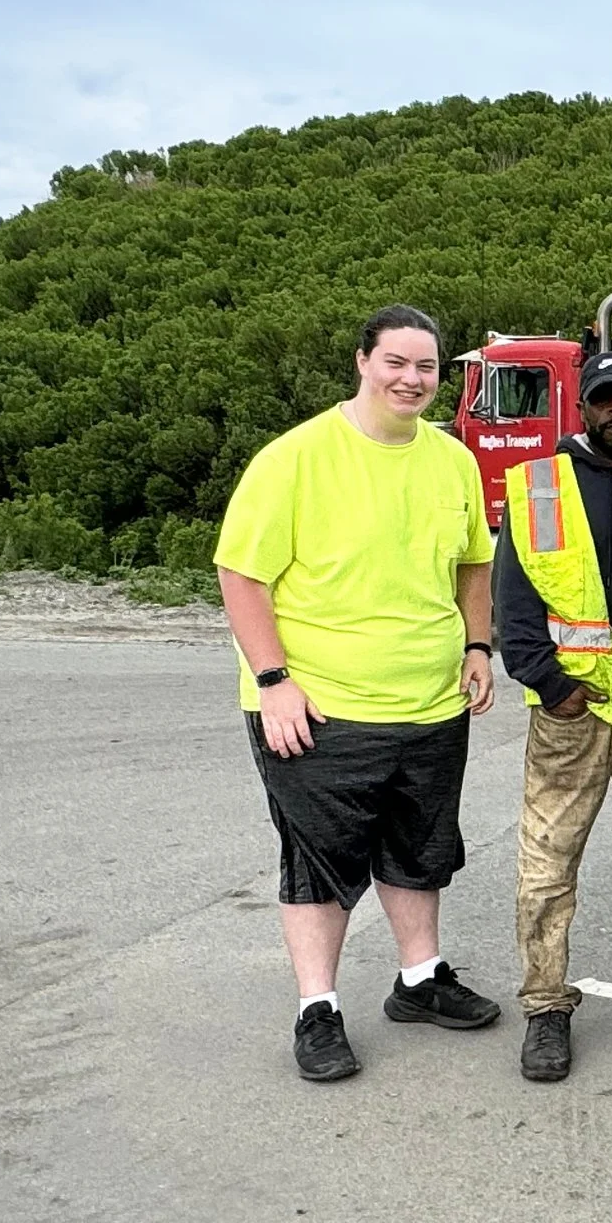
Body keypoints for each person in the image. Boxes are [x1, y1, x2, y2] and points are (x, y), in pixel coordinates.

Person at [216, 304, 501, 1083]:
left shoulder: (453, 461)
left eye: (427, 366)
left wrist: (479, 645)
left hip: (431, 701)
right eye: (396, 362)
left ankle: (420, 979)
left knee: (419, 848)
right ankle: (319, 1009)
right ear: (362, 362)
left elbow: (476, 561)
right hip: (320, 704)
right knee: (321, 859)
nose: (412, 379)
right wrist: (274, 681)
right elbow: (240, 573)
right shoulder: (296, 458)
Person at [494, 349, 612, 1082]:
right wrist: (549, 681)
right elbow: (515, 600)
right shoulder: (539, 483)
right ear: (583, 408)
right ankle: (546, 1005)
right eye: (604, 399)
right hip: (574, 710)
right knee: (549, 861)